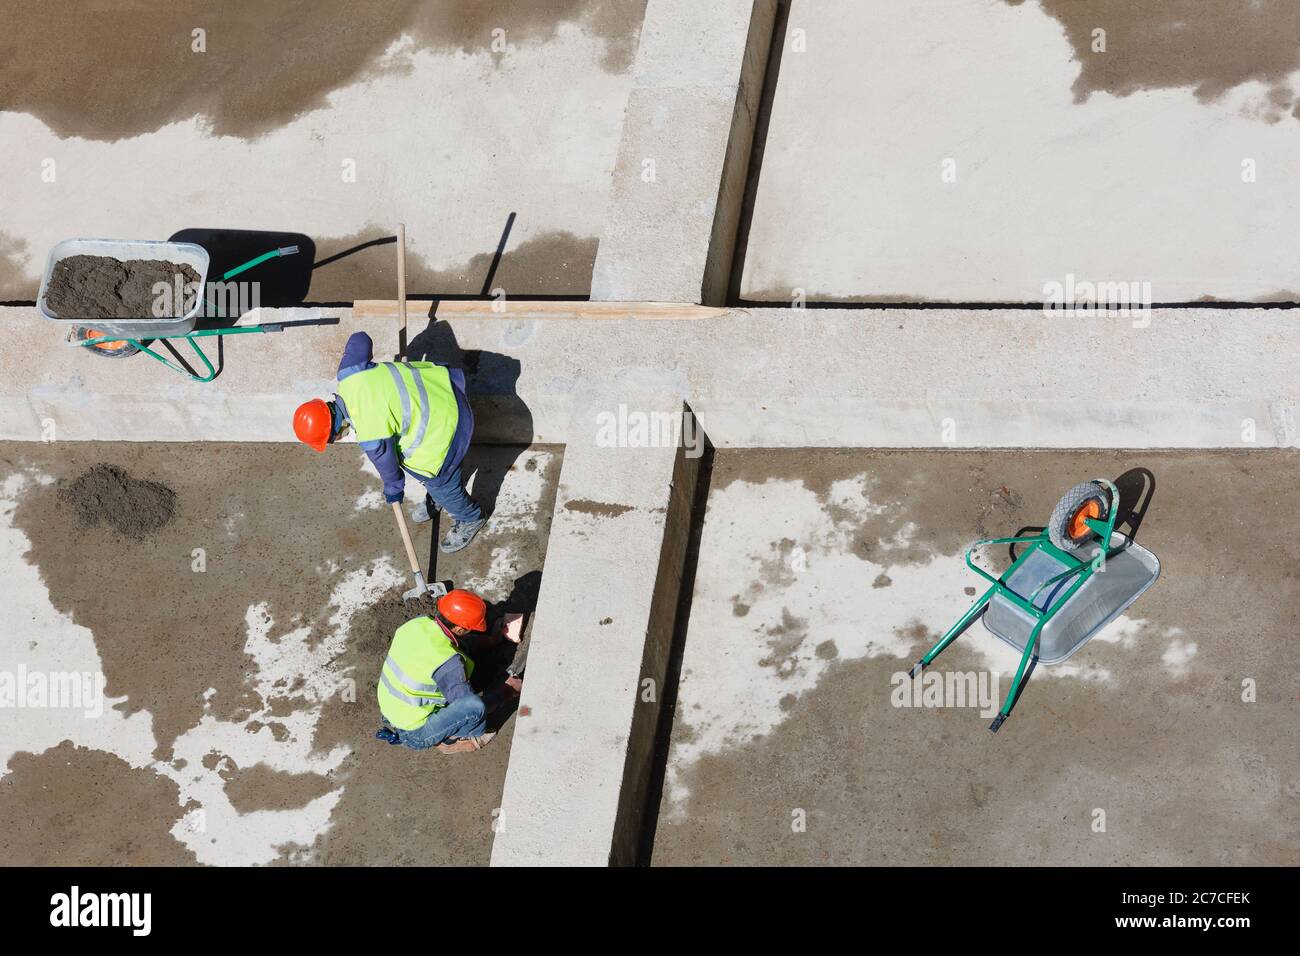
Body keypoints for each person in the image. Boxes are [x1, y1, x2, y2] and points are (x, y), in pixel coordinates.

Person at [292, 331, 485, 553]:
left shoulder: (369, 432)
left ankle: (470, 517)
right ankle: (438, 497)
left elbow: (389, 466)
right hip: (444, 389)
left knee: (440, 481)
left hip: (446, 428)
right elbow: (360, 338)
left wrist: (393, 490)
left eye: (332, 440)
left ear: (333, 433)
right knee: (426, 470)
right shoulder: (348, 374)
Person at [373, 589, 522, 754]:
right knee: (475, 707)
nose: (472, 630)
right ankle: (458, 739)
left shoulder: (417, 624)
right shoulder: (448, 664)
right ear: (459, 629)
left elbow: (456, 641)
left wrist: (490, 641)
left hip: (393, 709)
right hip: (415, 733)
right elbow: (468, 705)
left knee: (463, 657)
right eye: (470, 628)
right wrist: (507, 691)